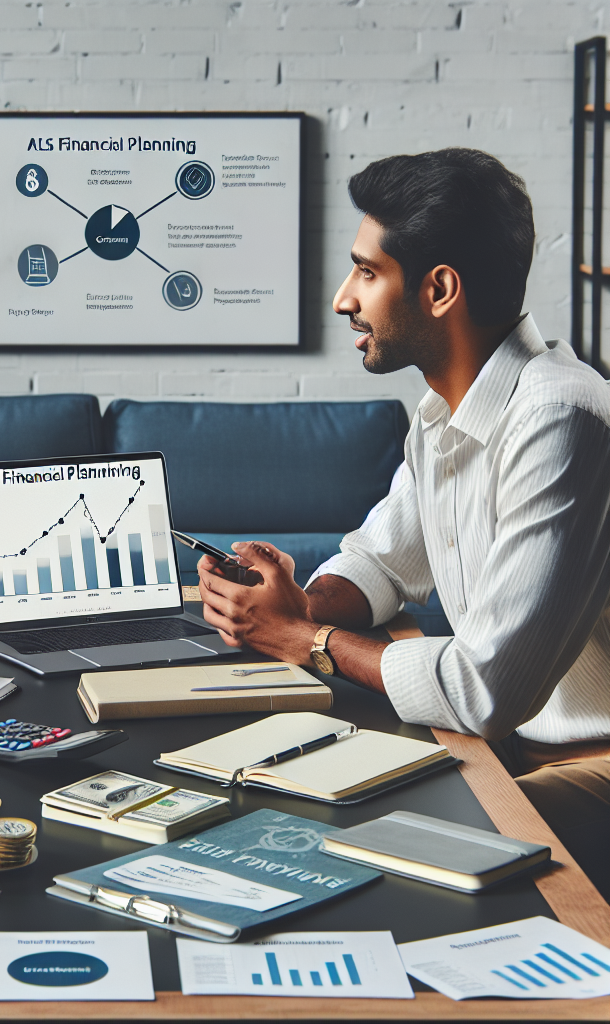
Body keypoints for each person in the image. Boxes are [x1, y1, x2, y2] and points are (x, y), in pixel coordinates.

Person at [198, 148, 610, 896]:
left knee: (352, 847)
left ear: (439, 289)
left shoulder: (563, 418)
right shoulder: (443, 412)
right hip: (508, 745)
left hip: (589, 761)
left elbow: (484, 689)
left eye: (366, 272)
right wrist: (295, 604)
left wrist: (305, 640)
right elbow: (384, 561)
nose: (342, 300)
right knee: (270, 797)